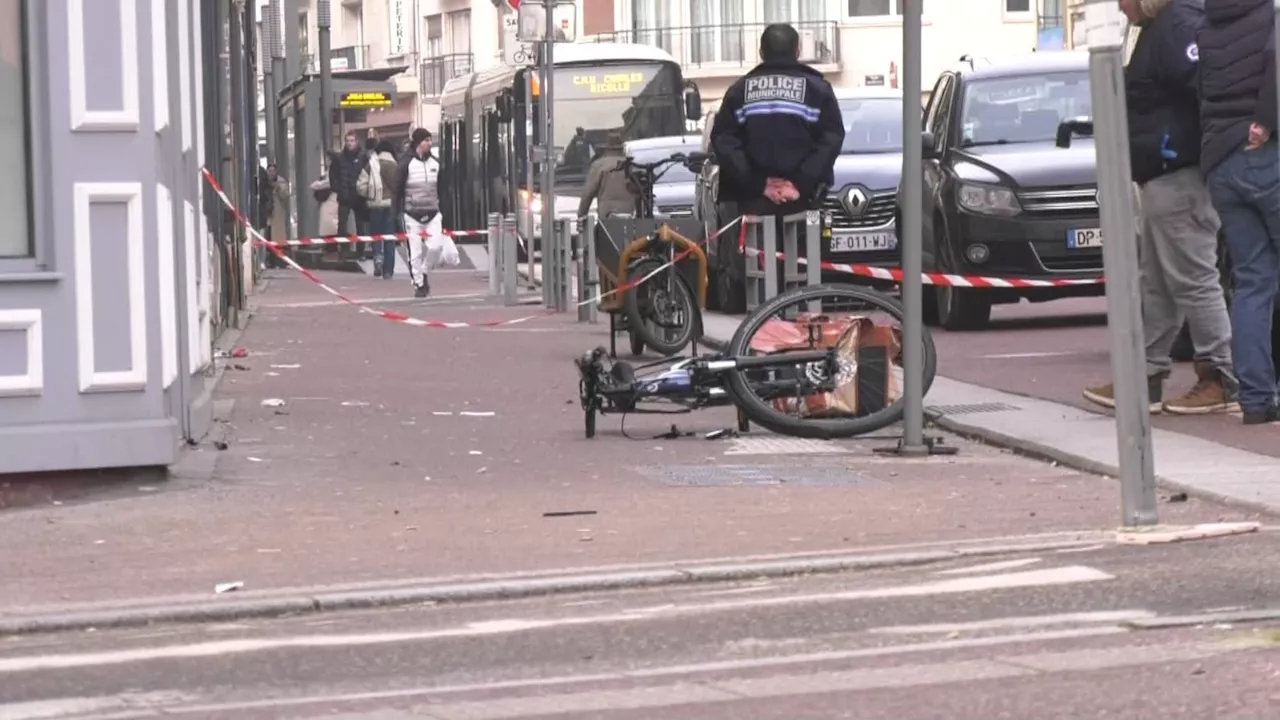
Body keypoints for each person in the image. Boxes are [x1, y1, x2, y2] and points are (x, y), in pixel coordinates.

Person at [1083, 0, 1238, 415]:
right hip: (1165, 170)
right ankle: (1144, 377)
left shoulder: (1176, 25)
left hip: (1179, 172)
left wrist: (1186, 143)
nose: (1119, 5)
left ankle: (1220, 376)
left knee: (1192, 278)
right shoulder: (1164, 26)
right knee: (1158, 282)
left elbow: (1207, 84)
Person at [1198, 0, 1280, 424]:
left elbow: (1202, 92)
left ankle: (1256, 399)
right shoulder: (1270, 14)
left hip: (1221, 163)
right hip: (1265, 152)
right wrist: (1265, 122)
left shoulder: (1207, 24)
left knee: (1252, 281)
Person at [709, 23, 844, 220]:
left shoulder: (739, 91)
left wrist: (759, 185)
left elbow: (723, 140)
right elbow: (831, 138)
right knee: (805, 252)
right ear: (797, 51)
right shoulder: (817, 89)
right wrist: (799, 183)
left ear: (761, 52)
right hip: (804, 202)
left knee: (752, 252)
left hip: (751, 205)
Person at [393, 128, 442, 298]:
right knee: (415, 253)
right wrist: (397, 213)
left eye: (430, 140)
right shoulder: (406, 164)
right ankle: (419, 284)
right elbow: (397, 190)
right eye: (426, 140)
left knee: (436, 246)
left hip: (433, 213)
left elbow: (442, 188)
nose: (429, 143)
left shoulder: (436, 163)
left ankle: (425, 270)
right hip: (412, 214)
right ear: (417, 142)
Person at [577, 130, 637, 219]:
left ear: (606, 148)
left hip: (607, 213)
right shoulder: (632, 165)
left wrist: (581, 214)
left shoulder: (599, 165)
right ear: (622, 149)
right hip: (630, 212)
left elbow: (588, 193)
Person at [333, 131, 371, 257]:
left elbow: (368, 173)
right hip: (344, 195)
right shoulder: (339, 158)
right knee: (342, 224)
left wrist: (364, 190)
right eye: (348, 141)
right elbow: (333, 175)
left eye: (352, 141)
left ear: (356, 142)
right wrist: (338, 188)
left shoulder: (363, 157)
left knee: (361, 225)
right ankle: (344, 250)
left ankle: (361, 251)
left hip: (359, 196)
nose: (349, 143)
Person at [367, 140, 400, 279]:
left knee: (376, 235)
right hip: (389, 205)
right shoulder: (394, 165)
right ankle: (388, 270)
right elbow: (398, 186)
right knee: (389, 237)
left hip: (375, 204)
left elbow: (361, 184)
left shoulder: (372, 164)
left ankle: (377, 259)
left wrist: (369, 195)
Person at [265, 163, 292, 269]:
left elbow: (286, 196)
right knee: (268, 237)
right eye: (269, 171)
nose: (271, 173)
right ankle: (270, 261)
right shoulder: (264, 183)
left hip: (277, 214)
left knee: (278, 239)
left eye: (273, 171)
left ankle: (279, 261)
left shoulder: (281, 182)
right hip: (268, 214)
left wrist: (278, 189)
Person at [309, 152, 340, 239]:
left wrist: (315, 184)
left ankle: (331, 247)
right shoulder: (331, 171)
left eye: (327, 159)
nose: (326, 161)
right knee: (330, 225)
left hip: (331, 200)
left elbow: (326, 183)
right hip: (331, 200)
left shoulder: (333, 172)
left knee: (330, 225)